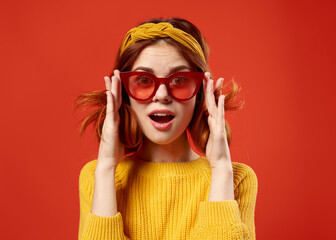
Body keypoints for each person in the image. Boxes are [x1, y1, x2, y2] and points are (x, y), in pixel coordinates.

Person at [75, 17, 258, 240]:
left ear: (201, 92)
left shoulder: (237, 179)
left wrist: (221, 169)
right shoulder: (97, 177)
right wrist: (105, 169)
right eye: (143, 79)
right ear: (123, 92)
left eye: (179, 79)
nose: (161, 95)